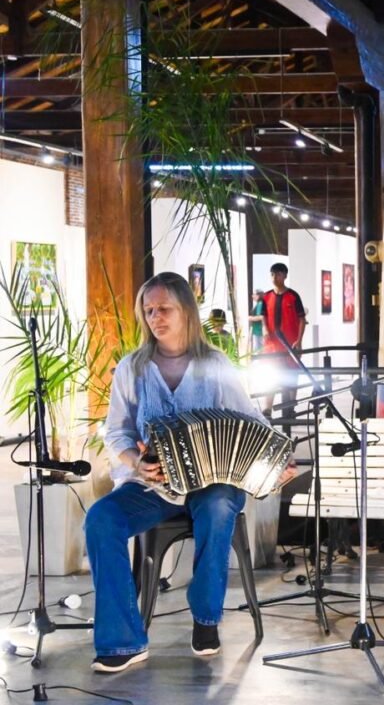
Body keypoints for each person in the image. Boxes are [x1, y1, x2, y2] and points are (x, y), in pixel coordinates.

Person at [84, 272, 296, 673]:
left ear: (186, 311)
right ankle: (123, 641)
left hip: (213, 483)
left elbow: (251, 418)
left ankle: (205, 617)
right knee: (100, 519)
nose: (155, 317)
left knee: (217, 506)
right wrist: (136, 462)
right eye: (149, 310)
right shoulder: (132, 368)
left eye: (164, 309)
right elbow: (117, 432)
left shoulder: (215, 364)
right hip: (153, 486)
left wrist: (277, 461)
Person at [261, 263, 306, 416]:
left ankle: (290, 407)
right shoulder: (266, 296)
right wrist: (265, 329)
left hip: (290, 344)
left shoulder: (293, 296)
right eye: (272, 274)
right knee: (270, 375)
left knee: (292, 375)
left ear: (285, 276)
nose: (275, 277)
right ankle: (267, 408)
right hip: (271, 345)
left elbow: (301, 319)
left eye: (278, 274)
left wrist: (299, 340)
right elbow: (263, 315)